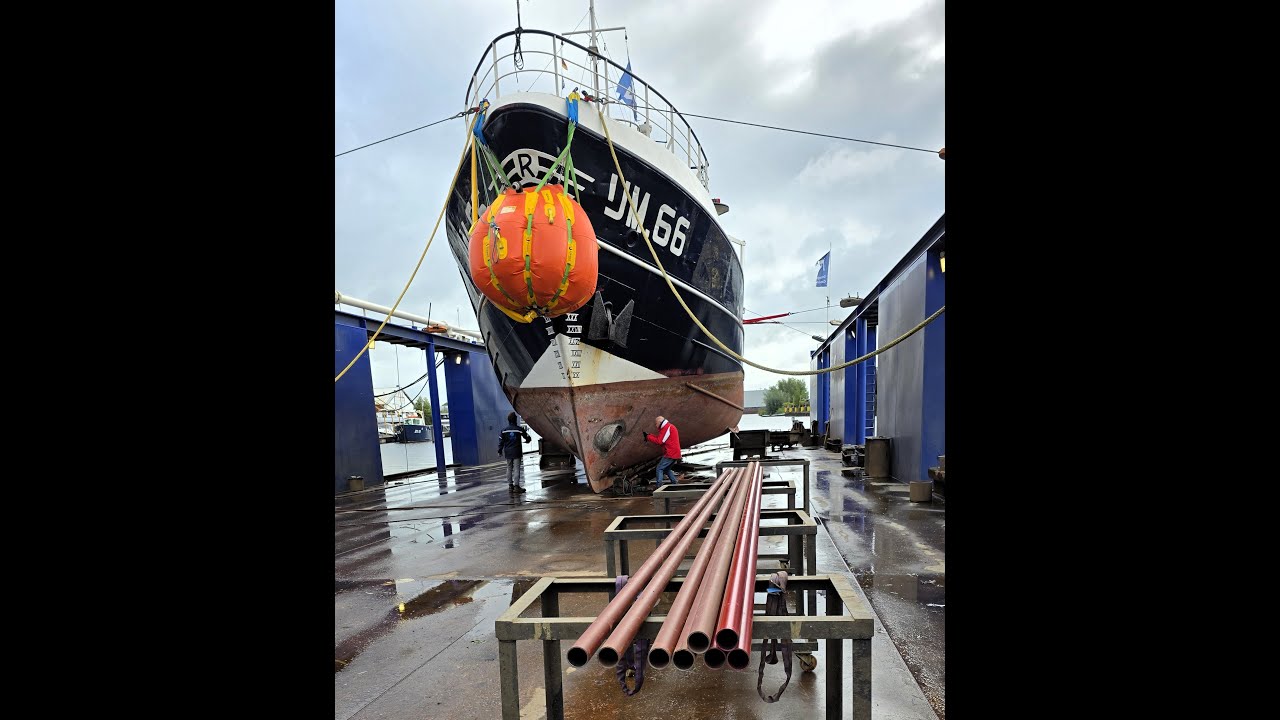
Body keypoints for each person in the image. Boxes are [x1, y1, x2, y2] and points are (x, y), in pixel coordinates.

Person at [641, 415, 681, 488]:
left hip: (670, 453)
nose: (656, 426)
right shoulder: (668, 427)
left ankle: (659, 486)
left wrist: (648, 437)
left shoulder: (667, 428)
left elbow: (660, 441)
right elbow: (661, 438)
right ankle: (674, 483)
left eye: (656, 424)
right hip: (675, 453)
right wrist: (649, 435)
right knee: (667, 469)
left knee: (659, 468)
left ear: (660, 422)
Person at [498, 411, 532, 493]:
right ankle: (516, 486)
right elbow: (527, 437)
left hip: (508, 453)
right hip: (517, 452)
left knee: (509, 468)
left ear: (508, 420)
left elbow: (501, 442)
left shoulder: (504, 431)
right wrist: (528, 440)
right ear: (515, 420)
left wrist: (499, 451)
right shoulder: (519, 429)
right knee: (516, 469)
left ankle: (510, 486)